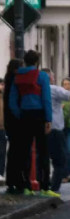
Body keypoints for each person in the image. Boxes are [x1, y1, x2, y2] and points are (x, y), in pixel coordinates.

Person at [8, 50, 52, 195]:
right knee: (43, 151)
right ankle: (44, 186)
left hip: (24, 115)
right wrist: (48, 119)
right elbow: (46, 98)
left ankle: (25, 185)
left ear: (25, 61)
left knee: (24, 151)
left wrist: (19, 113)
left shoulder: (18, 76)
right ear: (37, 62)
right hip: (39, 115)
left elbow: (12, 101)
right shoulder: (42, 76)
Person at [40, 69, 70, 197]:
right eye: (52, 76)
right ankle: (53, 186)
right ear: (50, 78)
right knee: (59, 160)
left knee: (42, 159)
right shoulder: (54, 89)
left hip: (40, 129)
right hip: (55, 129)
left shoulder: (37, 89)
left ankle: (42, 185)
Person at [2, 60, 22, 193]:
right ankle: (17, 180)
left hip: (9, 120)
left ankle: (11, 180)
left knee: (13, 150)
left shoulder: (8, 80)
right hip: (15, 120)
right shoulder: (15, 81)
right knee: (18, 151)